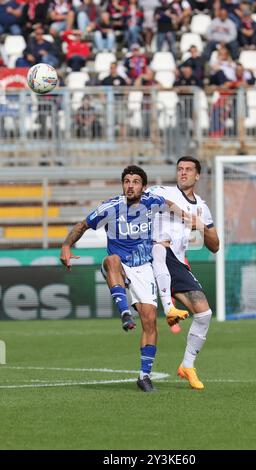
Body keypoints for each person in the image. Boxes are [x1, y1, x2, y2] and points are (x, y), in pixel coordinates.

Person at [60, 165, 189, 392]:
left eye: (135, 182)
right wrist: (66, 245)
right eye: (127, 181)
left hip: (144, 268)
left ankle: (144, 376)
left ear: (143, 186)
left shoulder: (152, 202)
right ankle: (124, 313)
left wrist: (186, 216)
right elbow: (83, 225)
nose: (130, 186)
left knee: (150, 321)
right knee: (112, 260)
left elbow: (168, 204)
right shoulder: (111, 207)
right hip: (119, 266)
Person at [149, 156, 219, 390]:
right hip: (151, 250)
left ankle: (187, 366)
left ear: (197, 175)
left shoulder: (201, 206)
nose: (183, 173)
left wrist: (200, 225)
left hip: (176, 262)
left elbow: (215, 245)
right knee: (159, 247)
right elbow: (141, 198)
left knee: (205, 312)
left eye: (188, 169)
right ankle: (168, 308)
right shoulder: (163, 191)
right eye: (180, 169)